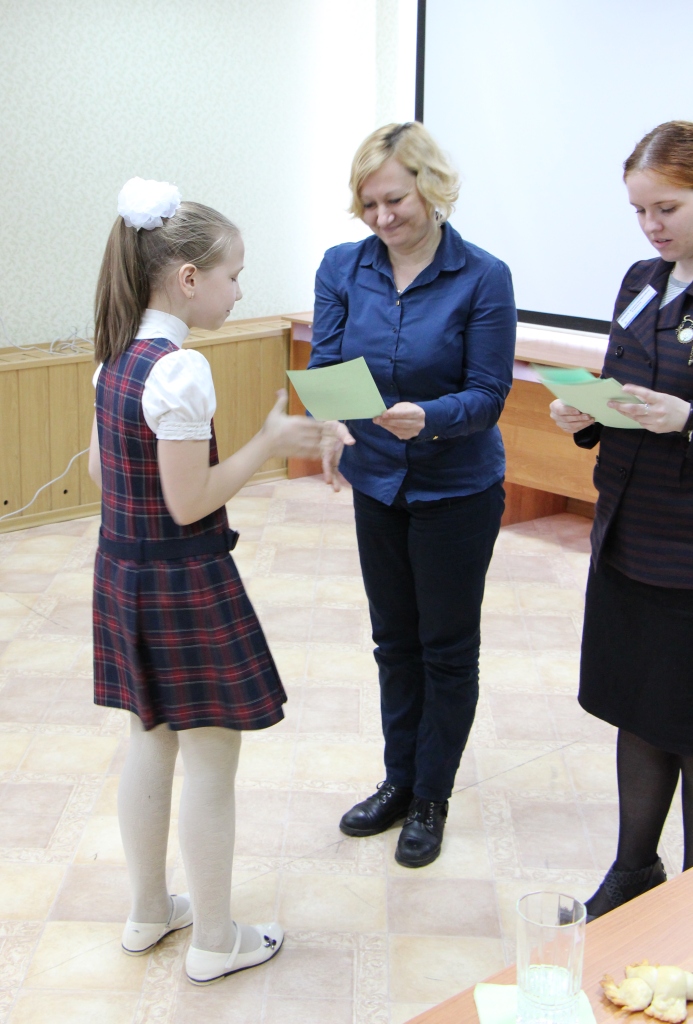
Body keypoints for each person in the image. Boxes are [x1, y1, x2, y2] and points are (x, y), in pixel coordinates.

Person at [89, 177, 324, 983]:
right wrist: (269, 442)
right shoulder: (179, 369)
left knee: (147, 740)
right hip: (182, 582)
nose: (239, 290)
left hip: (123, 570)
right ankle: (216, 940)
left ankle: (148, 911)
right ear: (188, 278)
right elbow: (190, 501)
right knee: (211, 761)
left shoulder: (113, 359)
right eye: (233, 274)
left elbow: (103, 473)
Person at [311, 123, 516, 867]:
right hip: (377, 482)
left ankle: (432, 796)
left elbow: (488, 394)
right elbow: (327, 366)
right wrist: (331, 420)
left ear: (431, 188)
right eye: (368, 204)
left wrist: (431, 416)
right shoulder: (342, 266)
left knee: (446, 649)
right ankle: (398, 781)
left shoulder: (482, 276)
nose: (382, 217)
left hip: (456, 488)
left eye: (394, 199)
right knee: (393, 642)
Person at [550, 121, 693, 919]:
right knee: (638, 706)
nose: (650, 227)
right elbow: (623, 386)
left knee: (688, 719)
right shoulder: (641, 279)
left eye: (665, 208)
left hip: (688, 549)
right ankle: (633, 868)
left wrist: (689, 419)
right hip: (628, 529)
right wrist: (585, 414)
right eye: (638, 211)